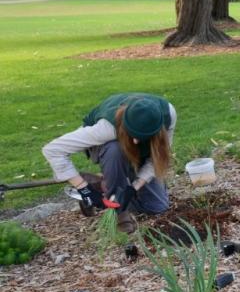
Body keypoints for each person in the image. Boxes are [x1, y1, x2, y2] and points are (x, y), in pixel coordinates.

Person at [42, 93, 176, 233]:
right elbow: (53, 150)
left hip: (138, 150)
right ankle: (120, 212)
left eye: (141, 137)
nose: (136, 141)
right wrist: (84, 189)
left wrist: (133, 188)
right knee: (115, 150)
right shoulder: (105, 129)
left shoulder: (168, 116)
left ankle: (100, 184)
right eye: (133, 134)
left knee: (157, 206)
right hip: (108, 147)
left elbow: (156, 158)